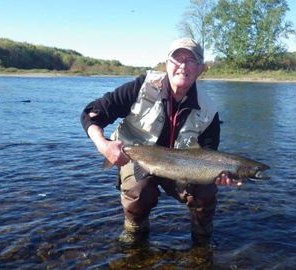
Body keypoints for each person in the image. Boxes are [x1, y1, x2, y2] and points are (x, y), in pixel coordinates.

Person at [80, 38, 239, 245]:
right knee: (139, 191)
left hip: (181, 168)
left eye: (191, 61)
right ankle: (135, 233)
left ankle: (202, 238)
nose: (183, 66)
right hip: (138, 159)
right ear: (167, 64)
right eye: (177, 59)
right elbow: (91, 113)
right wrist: (104, 146)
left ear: (200, 69)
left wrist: (217, 176)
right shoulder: (141, 87)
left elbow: (209, 154)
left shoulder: (209, 110)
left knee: (206, 189)